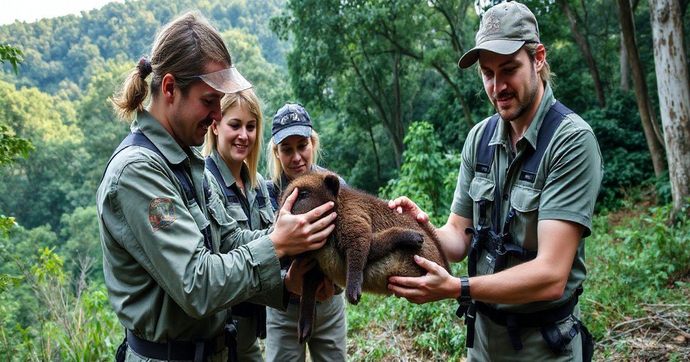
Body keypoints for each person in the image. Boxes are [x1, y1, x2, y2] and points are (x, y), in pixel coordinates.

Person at [97, 11, 336, 362]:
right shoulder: (138, 172)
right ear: (169, 89)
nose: (216, 117)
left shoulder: (187, 164)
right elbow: (197, 284)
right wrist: (277, 244)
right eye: (209, 101)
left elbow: (229, 241)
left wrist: (286, 263)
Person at [387, 2, 602, 361]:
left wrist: (457, 288)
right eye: (487, 73)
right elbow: (458, 236)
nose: (497, 86)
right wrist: (422, 230)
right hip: (483, 341)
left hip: (544, 346)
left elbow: (552, 275)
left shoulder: (570, 141)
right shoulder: (479, 138)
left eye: (509, 69)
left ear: (538, 59)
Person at [264, 103, 348, 362]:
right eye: (287, 150)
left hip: (329, 305)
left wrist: (334, 284)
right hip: (284, 307)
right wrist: (287, 281)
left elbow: (350, 239)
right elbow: (260, 253)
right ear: (276, 153)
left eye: (302, 146)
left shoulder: (333, 185)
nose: (297, 157)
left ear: (313, 143)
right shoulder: (266, 193)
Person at [200, 89, 273, 361]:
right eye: (235, 125)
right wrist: (284, 235)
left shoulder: (258, 184)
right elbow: (226, 246)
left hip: (251, 328)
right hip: (221, 329)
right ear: (216, 126)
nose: (244, 135)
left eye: (251, 127)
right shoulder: (206, 182)